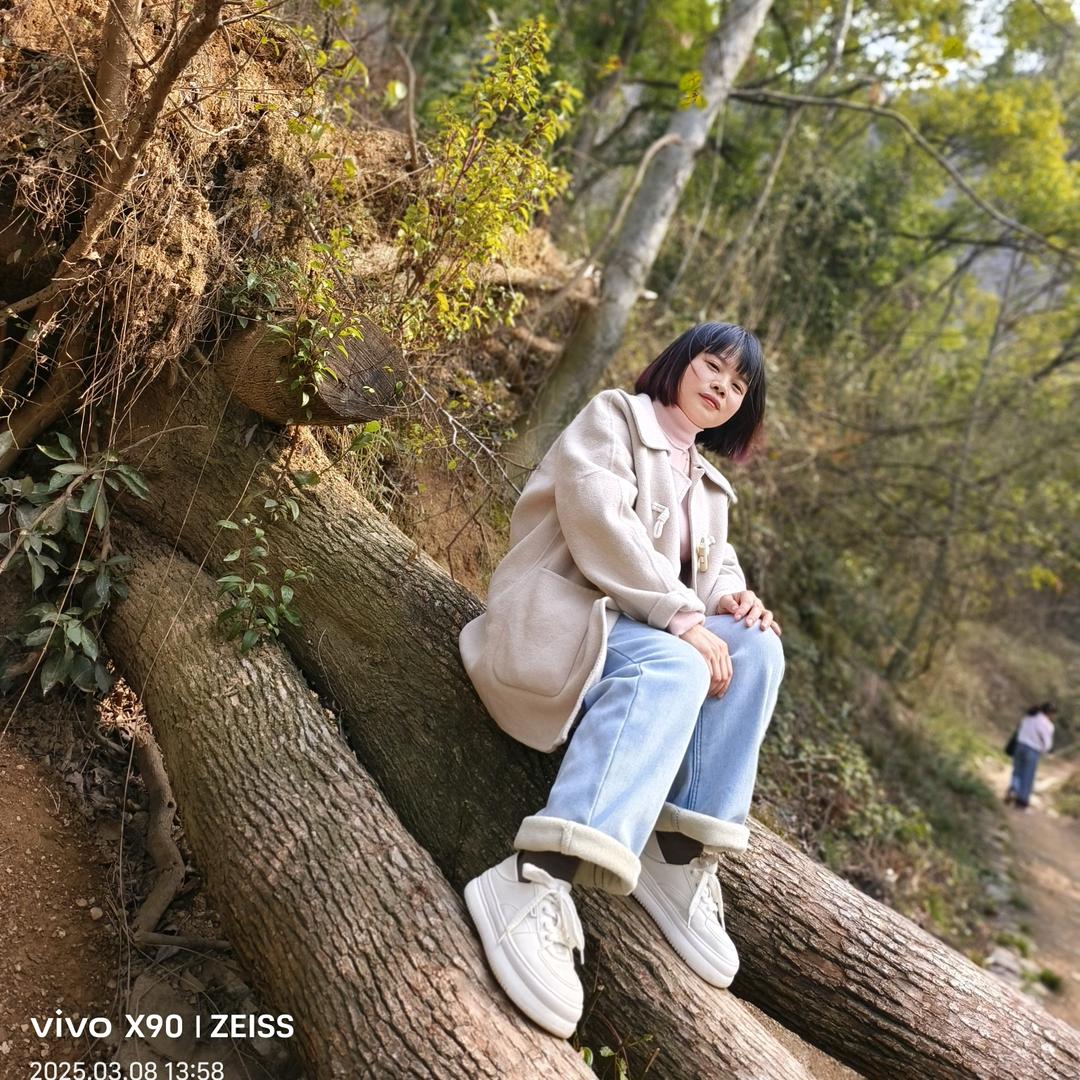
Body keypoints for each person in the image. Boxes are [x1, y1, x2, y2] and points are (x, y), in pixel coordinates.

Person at [457, 322, 784, 1038]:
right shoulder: (616, 417)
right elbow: (601, 521)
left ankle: (676, 854)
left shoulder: (709, 484)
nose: (720, 388)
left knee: (758, 649)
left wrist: (734, 601)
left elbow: (712, 567)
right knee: (676, 659)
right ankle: (532, 878)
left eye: (736, 387)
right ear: (679, 362)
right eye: (712, 367)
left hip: (632, 636)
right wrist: (682, 619)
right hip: (555, 623)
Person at [1005, 702, 1056, 810]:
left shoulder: (1029, 717)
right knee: (1027, 776)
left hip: (1019, 746)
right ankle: (1022, 801)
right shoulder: (1047, 724)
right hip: (1032, 751)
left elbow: (1020, 731)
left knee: (1017, 771)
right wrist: (1046, 752)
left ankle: (1013, 789)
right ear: (1050, 713)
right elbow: (1047, 744)